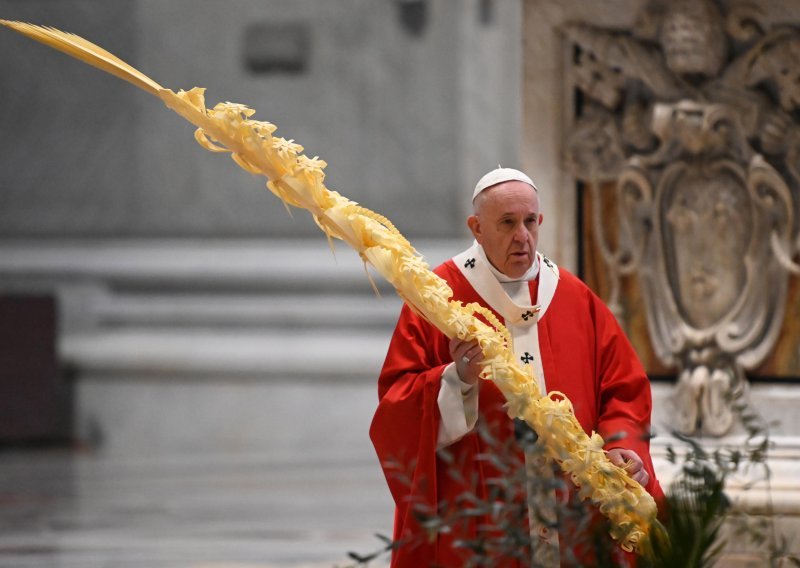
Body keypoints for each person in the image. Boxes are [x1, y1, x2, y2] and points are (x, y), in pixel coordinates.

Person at [369, 167, 664, 567]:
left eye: (530, 222)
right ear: (476, 227)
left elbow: (623, 391)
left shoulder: (575, 298)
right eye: (507, 223)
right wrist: (457, 380)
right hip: (482, 517)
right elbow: (396, 406)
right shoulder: (438, 296)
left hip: (570, 514)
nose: (522, 236)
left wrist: (622, 448)